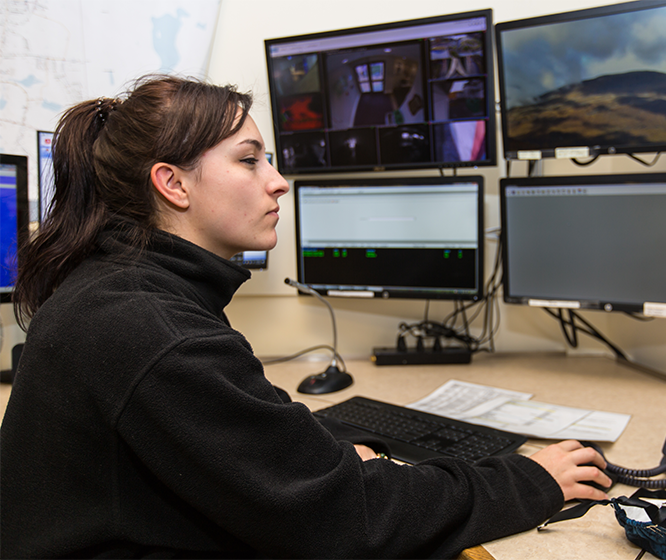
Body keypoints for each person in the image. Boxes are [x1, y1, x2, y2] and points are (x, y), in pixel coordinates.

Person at [0, 75, 611, 558]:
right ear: (173, 184)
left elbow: (238, 446)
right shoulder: (154, 328)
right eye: (250, 160)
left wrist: (331, 451)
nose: (279, 182)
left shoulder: (121, 290)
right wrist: (531, 480)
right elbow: (349, 522)